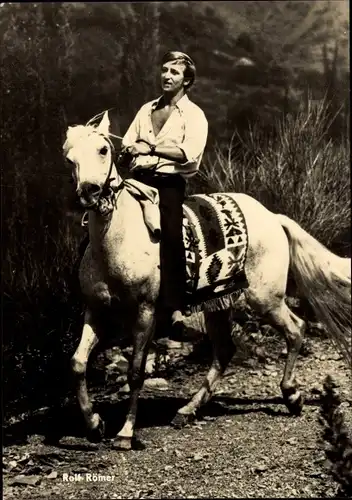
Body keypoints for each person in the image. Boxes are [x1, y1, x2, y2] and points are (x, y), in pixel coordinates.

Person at [121, 50, 208, 334]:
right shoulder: (146, 109)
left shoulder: (194, 115)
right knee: (104, 220)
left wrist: (151, 147)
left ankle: (175, 307)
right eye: (165, 70)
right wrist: (126, 152)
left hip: (168, 183)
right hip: (137, 179)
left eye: (174, 72)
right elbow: (129, 143)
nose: (167, 76)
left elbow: (188, 154)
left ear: (187, 81)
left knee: (170, 232)